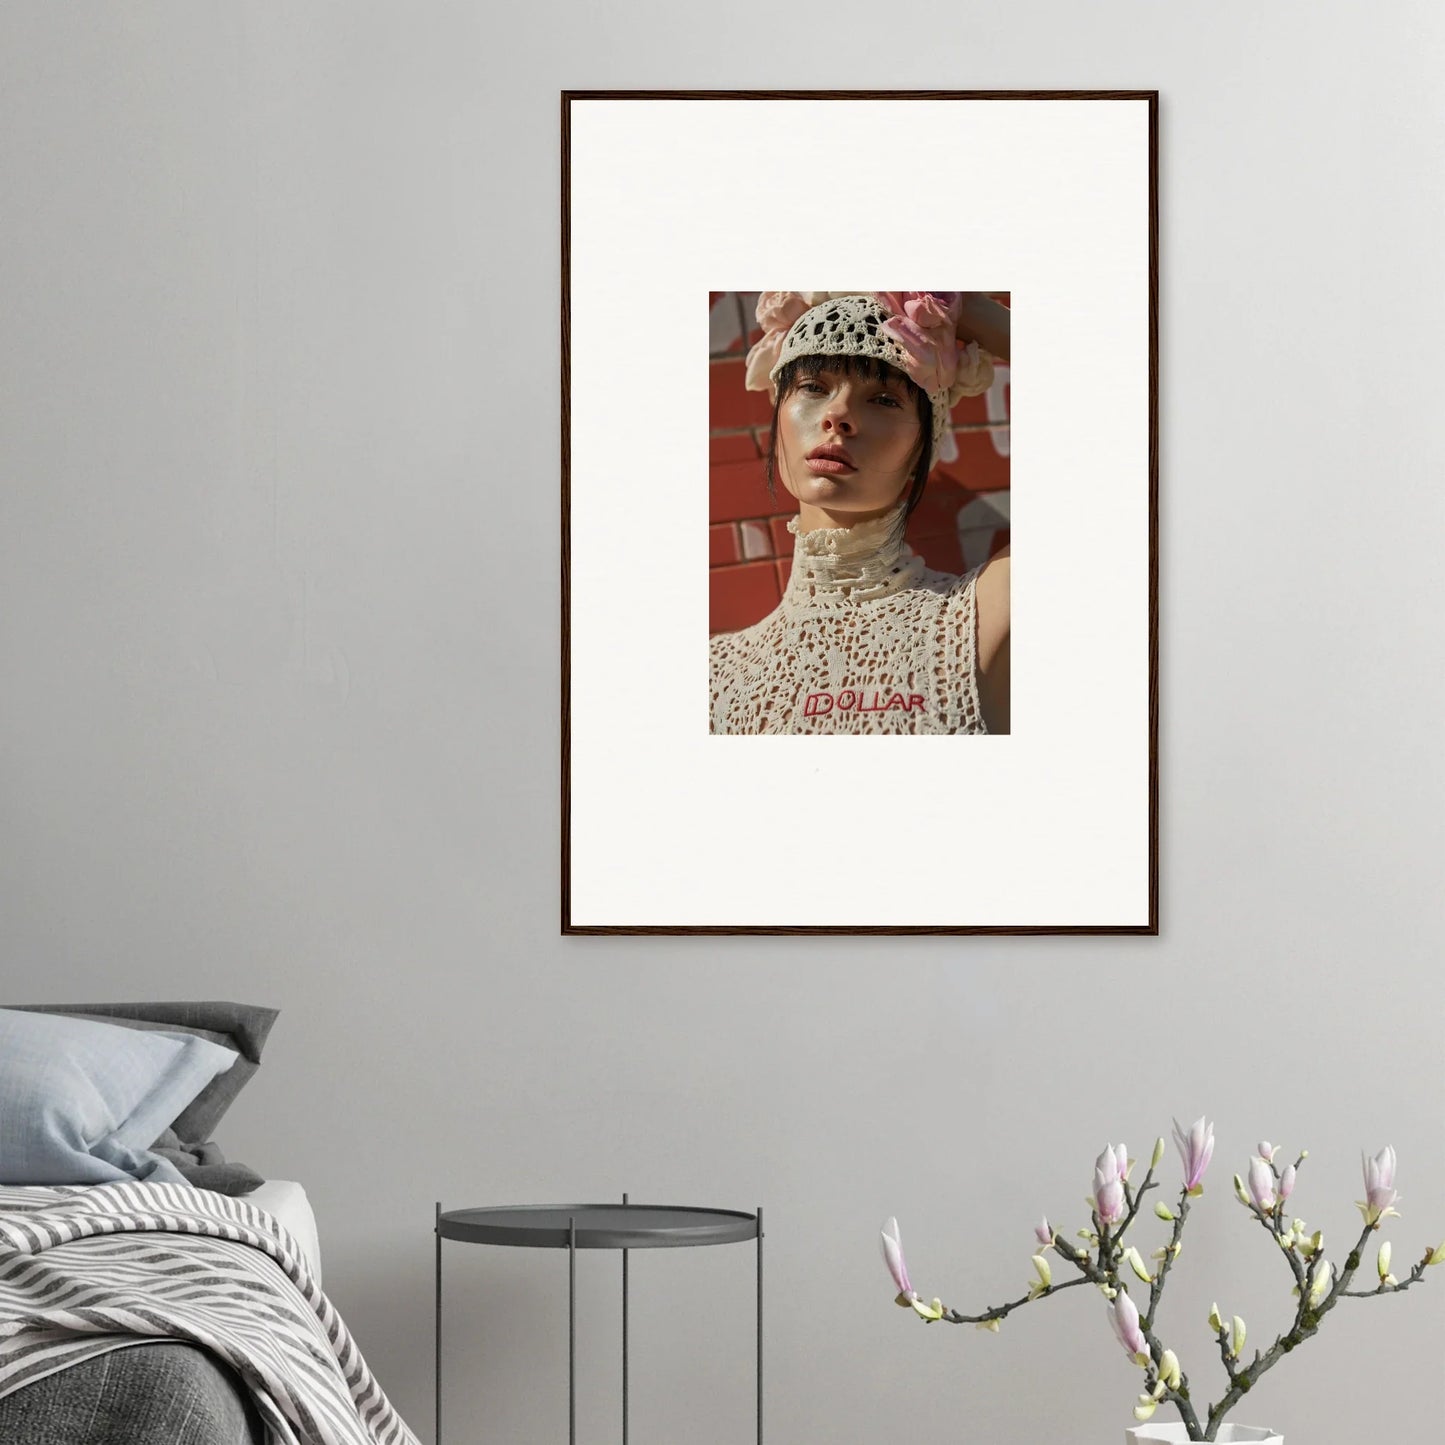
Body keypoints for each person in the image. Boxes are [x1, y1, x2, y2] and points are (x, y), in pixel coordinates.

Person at [709, 291, 1011, 735]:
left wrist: (956, 303)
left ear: (921, 450)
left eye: (885, 398)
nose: (838, 414)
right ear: (778, 426)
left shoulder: (980, 620)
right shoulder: (716, 675)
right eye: (813, 387)